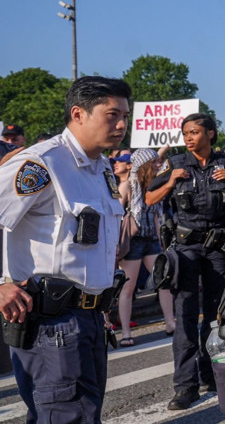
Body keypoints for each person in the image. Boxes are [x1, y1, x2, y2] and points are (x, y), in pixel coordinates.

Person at [0, 76, 131, 422]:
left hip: (89, 318)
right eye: (112, 114)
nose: (121, 125)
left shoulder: (102, 167)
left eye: (125, 116)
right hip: (50, 323)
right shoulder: (42, 162)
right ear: (78, 113)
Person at [146, 113, 225, 410]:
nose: (189, 137)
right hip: (186, 249)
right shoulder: (176, 163)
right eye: (186, 132)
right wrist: (170, 184)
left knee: (217, 316)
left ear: (211, 134)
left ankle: (210, 374)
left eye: (194, 132)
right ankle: (185, 386)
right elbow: (149, 198)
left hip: (216, 248)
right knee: (186, 317)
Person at [116, 148, 176, 346]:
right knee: (128, 287)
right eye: (154, 163)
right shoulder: (127, 186)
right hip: (132, 242)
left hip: (150, 240)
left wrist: (161, 242)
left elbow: (157, 216)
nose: (158, 165)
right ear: (144, 165)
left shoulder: (153, 185)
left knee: (163, 281)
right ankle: (126, 333)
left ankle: (170, 323)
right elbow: (115, 215)